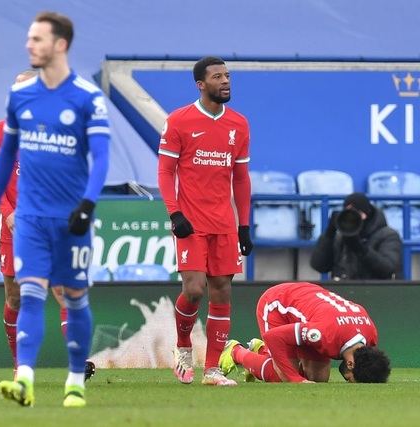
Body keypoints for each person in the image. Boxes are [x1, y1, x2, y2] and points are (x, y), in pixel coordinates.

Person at [0, 11, 110, 408]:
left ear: (60, 45)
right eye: (28, 38)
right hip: (28, 220)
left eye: (37, 39)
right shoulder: (18, 102)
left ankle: (75, 380)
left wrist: (87, 204)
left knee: (73, 295)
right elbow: (2, 161)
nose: (28, 44)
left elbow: (102, 158)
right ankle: (24, 379)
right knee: (28, 294)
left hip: (69, 218)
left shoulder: (88, 98)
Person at [0, 69, 95, 382]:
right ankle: (19, 365)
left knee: (63, 290)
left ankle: (79, 361)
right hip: (15, 226)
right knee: (15, 298)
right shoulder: (1, 131)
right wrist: (6, 212)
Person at [157, 56, 253, 386]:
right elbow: (166, 171)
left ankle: (211, 369)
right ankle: (183, 346)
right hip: (191, 221)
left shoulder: (239, 124)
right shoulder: (180, 120)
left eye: (227, 76)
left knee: (222, 291)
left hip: (224, 223)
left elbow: (241, 178)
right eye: (217, 77)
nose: (226, 81)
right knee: (195, 290)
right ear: (201, 84)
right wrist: (175, 212)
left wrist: (244, 225)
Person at [218, 281, 391, 383]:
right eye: (353, 380)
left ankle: (262, 352)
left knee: (318, 379)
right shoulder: (322, 333)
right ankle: (235, 351)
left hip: (310, 313)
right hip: (278, 304)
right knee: (283, 376)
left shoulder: (371, 335)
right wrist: (296, 379)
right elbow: (274, 337)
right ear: (351, 365)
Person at [310, 192, 403, 280]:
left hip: (376, 290)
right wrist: (329, 233)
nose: (353, 219)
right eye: (349, 214)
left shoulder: (388, 235)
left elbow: (388, 269)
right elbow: (319, 266)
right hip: (343, 290)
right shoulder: (340, 237)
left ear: (367, 214)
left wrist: (360, 248)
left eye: (358, 214)